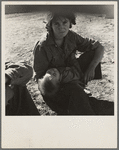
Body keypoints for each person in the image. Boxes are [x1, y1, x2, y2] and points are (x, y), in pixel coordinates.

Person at [33, 10, 105, 115]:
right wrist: (59, 81)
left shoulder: (71, 36)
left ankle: (80, 91)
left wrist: (91, 68)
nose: (61, 27)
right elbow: (40, 78)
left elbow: (99, 47)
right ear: (50, 25)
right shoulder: (43, 46)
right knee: (78, 96)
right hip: (55, 87)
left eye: (64, 22)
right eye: (56, 23)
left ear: (70, 23)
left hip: (72, 75)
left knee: (92, 53)